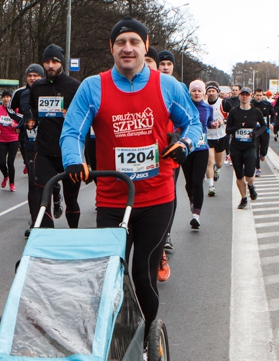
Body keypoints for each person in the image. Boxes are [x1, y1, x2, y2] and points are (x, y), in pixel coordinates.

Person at [60, 17, 202, 332]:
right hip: (112, 200)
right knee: (111, 274)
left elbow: (193, 124)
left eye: (134, 42)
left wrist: (185, 144)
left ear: (145, 46)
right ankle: (115, 337)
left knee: (142, 273)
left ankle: (147, 341)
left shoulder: (167, 86)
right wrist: (73, 160)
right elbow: (72, 132)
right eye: (121, 42)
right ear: (111, 48)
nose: (128, 48)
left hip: (156, 198)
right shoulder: (92, 87)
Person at [27, 44, 81, 228]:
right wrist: (32, 120)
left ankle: (73, 233)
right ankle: (46, 236)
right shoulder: (37, 87)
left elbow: (83, 117)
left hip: (69, 151)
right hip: (44, 150)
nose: (50, 66)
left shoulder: (74, 86)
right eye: (47, 62)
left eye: (54, 62)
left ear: (62, 64)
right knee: (41, 196)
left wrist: (70, 114)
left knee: (71, 199)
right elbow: (34, 111)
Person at [9, 63, 56, 236]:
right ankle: (36, 221)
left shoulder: (49, 90)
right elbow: (9, 109)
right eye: (30, 75)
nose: (32, 78)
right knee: (33, 183)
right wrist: (23, 121)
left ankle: (56, 195)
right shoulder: (21, 93)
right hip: (29, 142)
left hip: (49, 143)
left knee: (50, 181)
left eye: (36, 75)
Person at [225, 87, 266, 209]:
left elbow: (264, 126)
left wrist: (256, 134)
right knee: (239, 175)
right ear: (239, 96)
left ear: (250, 96)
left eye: (246, 95)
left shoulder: (256, 111)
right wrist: (237, 127)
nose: (244, 97)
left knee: (249, 174)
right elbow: (227, 130)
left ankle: (251, 185)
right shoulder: (234, 112)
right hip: (236, 147)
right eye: (242, 94)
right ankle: (243, 198)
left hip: (250, 146)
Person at [183, 80, 215, 228]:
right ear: (190, 93)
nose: (196, 93)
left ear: (204, 93)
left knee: (197, 181)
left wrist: (213, 124)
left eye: (199, 91)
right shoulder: (184, 106)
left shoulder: (208, 108)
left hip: (202, 149)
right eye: (194, 91)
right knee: (189, 183)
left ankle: (196, 215)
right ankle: (192, 200)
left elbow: (208, 123)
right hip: (186, 149)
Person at [0, 89, 19, 191]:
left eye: (8, 97)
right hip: (2, 139)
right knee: (2, 163)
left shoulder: (15, 110)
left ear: (11, 98)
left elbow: (21, 122)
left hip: (13, 139)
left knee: (10, 162)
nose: (6, 99)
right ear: (2, 99)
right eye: (4, 97)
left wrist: (15, 125)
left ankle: (12, 184)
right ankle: (5, 175)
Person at [204, 81, 227, 196]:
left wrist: (223, 121)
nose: (211, 93)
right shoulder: (203, 104)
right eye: (209, 91)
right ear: (206, 93)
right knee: (209, 161)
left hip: (220, 136)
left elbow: (231, 118)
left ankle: (217, 170)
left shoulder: (223, 103)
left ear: (218, 92)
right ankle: (211, 186)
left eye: (213, 91)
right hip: (208, 137)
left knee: (219, 163)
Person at [251, 88, 274, 175]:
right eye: (257, 95)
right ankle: (258, 168)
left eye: (260, 95)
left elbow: (273, 115)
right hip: (255, 130)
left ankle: (263, 153)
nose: (258, 97)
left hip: (265, 129)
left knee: (264, 148)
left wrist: (272, 123)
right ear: (254, 95)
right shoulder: (251, 104)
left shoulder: (267, 104)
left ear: (262, 95)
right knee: (255, 148)